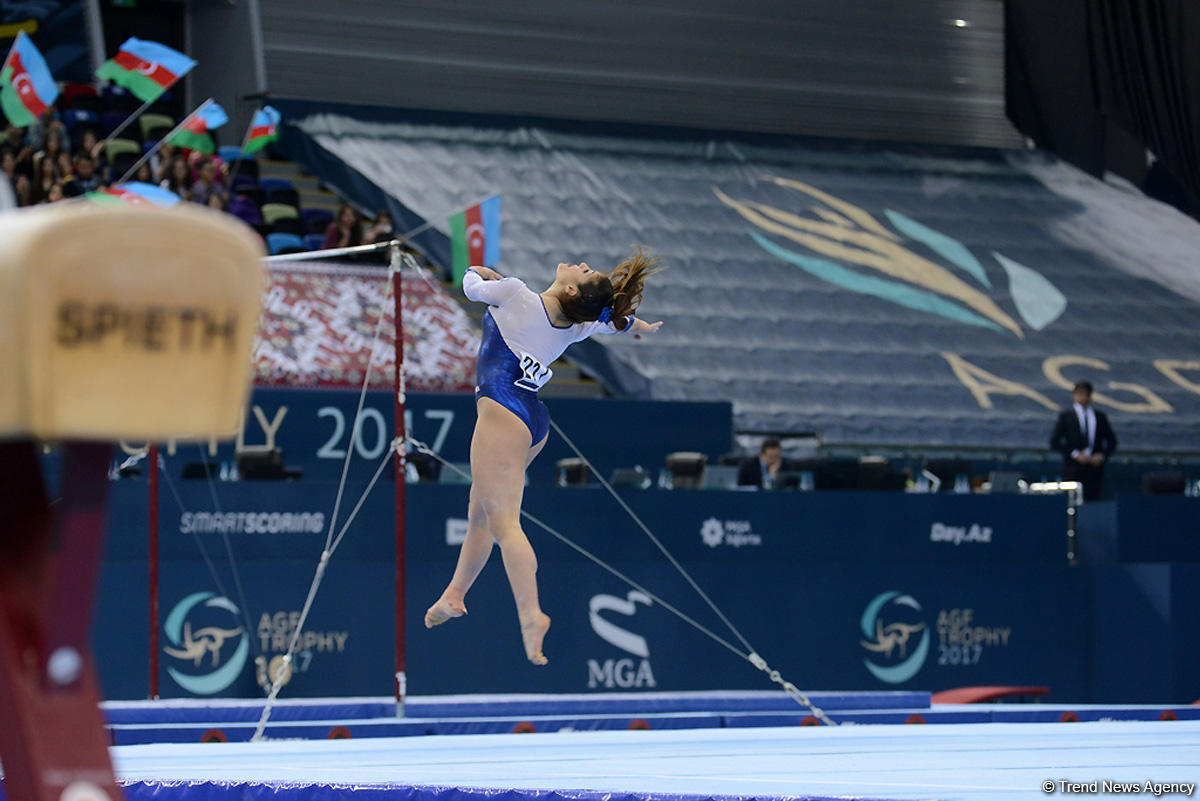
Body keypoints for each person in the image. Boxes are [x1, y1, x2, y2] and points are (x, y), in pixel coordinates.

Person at [423, 249, 663, 664]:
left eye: (584, 271)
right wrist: (636, 324)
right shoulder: (576, 327)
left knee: (504, 524)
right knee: (479, 513)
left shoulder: (516, 293)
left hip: (502, 412)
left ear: (571, 288)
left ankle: (531, 615)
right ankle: (454, 595)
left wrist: (475, 271)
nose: (580, 264)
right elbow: (612, 322)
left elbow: (471, 287)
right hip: (533, 421)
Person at [1050, 380, 1117, 502]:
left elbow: (1112, 441)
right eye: (1080, 394)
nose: (1083, 397)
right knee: (1071, 501)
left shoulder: (1099, 417)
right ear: (1074, 395)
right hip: (1072, 469)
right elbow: (1055, 442)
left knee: (1092, 501)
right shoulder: (1066, 417)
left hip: (1094, 471)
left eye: (1086, 394)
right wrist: (1075, 454)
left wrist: (1101, 456)